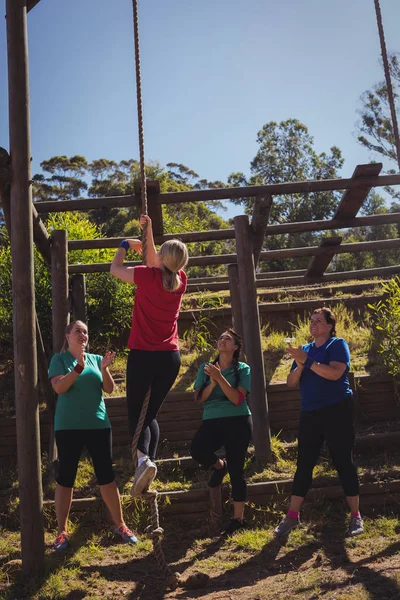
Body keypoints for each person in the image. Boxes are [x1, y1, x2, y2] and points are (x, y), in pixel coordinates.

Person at [110, 214, 188, 495]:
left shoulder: (145, 276)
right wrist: (148, 231)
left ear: (163, 258)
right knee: (150, 414)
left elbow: (115, 269)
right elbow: (156, 259)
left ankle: (143, 459)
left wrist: (122, 245)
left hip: (144, 355)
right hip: (170, 358)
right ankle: (149, 464)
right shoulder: (181, 280)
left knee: (137, 415)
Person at [48, 320, 138, 551]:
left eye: (86, 331)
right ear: (67, 336)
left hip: (98, 425)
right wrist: (77, 368)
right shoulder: (59, 360)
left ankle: (121, 526)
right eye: (77, 331)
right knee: (66, 477)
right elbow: (59, 388)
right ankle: (61, 532)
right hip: (68, 427)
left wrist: (105, 368)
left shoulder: (96, 359)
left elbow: (109, 389)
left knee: (106, 476)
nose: (82, 335)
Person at [274, 307, 363, 538]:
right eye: (311, 320)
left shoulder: (337, 345)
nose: (313, 324)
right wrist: (302, 363)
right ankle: (292, 516)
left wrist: (308, 361)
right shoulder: (304, 350)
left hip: (337, 410)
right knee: (304, 463)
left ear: (330, 326)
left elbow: (335, 374)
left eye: (319, 321)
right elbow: (291, 382)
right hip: (310, 413)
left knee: (343, 461)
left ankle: (355, 516)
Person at [190, 329, 252, 535]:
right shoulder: (206, 369)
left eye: (228, 339)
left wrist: (220, 379)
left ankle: (238, 519)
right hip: (212, 419)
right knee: (198, 449)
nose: (223, 340)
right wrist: (213, 382)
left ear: (235, 347)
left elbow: (237, 399)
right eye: (220, 338)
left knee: (237, 470)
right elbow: (199, 398)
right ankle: (219, 467)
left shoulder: (243, 369)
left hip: (238, 420)